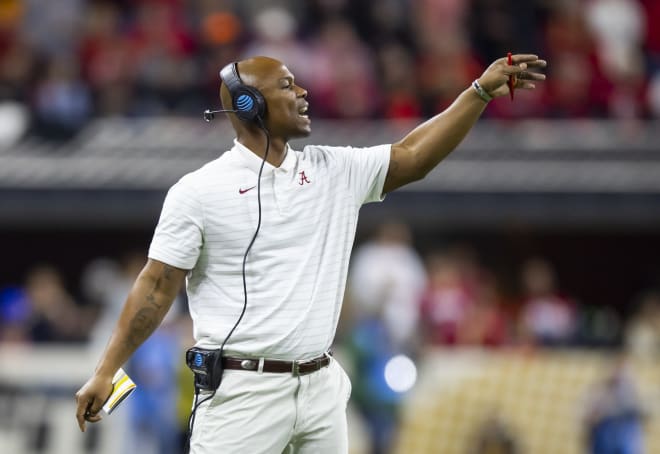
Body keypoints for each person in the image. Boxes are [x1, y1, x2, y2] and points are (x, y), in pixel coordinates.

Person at [75, 54, 546, 453]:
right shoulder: (197, 191)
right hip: (243, 393)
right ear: (249, 104)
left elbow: (414, 156)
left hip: (321, 384)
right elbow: (156, 287)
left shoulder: (332, 169)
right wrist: (106, 371)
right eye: (285, 85)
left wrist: (478, 93)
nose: (302, 92)